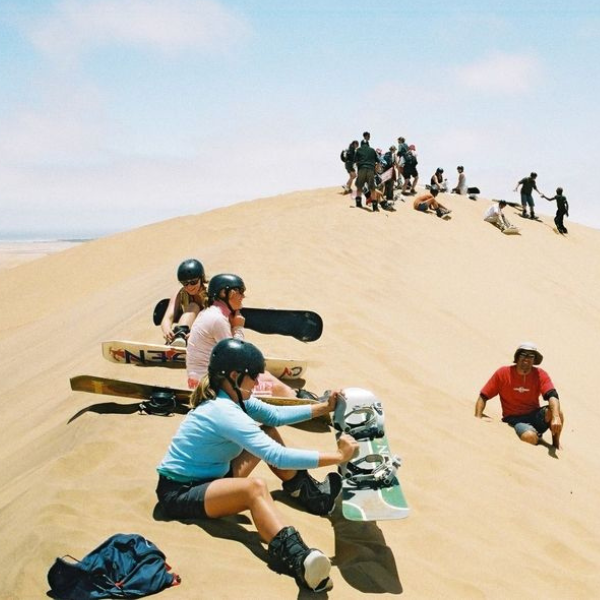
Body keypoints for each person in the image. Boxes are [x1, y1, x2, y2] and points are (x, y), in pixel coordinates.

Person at [156, 338, 359, 592]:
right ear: (233, 376)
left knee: (268, 430)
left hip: (213, 476)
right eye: (252, 376)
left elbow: (273, 415)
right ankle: (301, 559)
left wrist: (323, 408)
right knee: (255, 489)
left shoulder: (234, 397)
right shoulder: (223, 411)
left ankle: (310, 494)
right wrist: (338, 457)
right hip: (180, 492)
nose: (256, 381)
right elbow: (278, 457)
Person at [186, 273, 300, 398]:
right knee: (271, 383)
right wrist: (238, 327)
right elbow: (238, 358)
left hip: (200, 381)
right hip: (212, 389)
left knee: (262, 376)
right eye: (239, 291)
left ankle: (295, 395)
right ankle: (301, 401)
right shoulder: (218, 319)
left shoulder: (208, 313)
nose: (243, 295)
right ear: (224, 293)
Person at [474, 343, 564, 449]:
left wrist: (556, 417)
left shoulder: (540, 374)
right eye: (523, 354)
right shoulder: (503, 373)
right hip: (514, 419)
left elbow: (552, 395)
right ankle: (535, 436)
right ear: (517, 357)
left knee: (557, 412)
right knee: (530, 437)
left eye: (531, 356)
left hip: (535, 416)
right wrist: (477, 417)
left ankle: (556, 445)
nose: (527, 358)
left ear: (534, 360)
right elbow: (483, 396)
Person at [161, 259, 208, 347]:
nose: (189, 287)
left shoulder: (212, 292)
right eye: (185, 283)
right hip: (188, 337)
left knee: (194, 307)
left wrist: (199, 332)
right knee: (193, 306)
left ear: (201, 278)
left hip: (210, 334)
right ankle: (179, 340)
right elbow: (168, 317)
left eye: (193, 282)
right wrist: (167, 330)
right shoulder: (181, 294)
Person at [354, 141, 380, 211]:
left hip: (362, 169)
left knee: (359, 186)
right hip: (370, 170)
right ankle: (375, 207)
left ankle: (358, 203)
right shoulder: (372, 150)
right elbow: (378, 161)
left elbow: (355, 161)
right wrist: (375, 171)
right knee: (372, 188)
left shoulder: (358, 150)